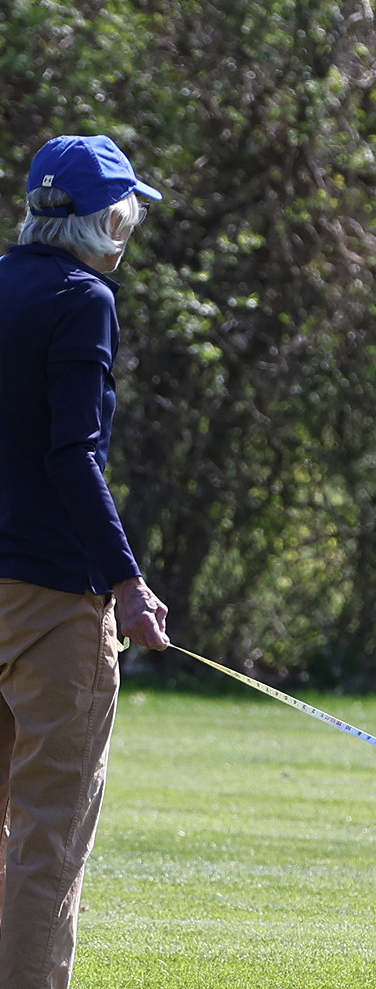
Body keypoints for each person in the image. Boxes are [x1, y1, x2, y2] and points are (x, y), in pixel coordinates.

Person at [0, 134, 170, 989]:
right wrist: (126, 581)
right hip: (52, 601)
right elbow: (74, 456)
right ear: (110, 221)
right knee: (45, 839)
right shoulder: (83, 299)